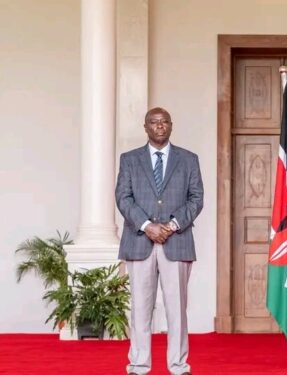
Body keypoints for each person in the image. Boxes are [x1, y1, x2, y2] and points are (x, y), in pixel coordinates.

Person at [116, 107, 204, 375]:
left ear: (171, 125)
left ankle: (179, 366)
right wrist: (147, 225)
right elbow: (123, 197)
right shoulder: (129, 159)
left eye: (164, 122)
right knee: (141, 308)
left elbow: (196, 198)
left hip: (176, 242)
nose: (160, 126)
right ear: (146, 127)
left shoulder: (188, 159)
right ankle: (139, 365)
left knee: (177, 309)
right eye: (154, 122)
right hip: (139, 242)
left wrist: (172, 225)